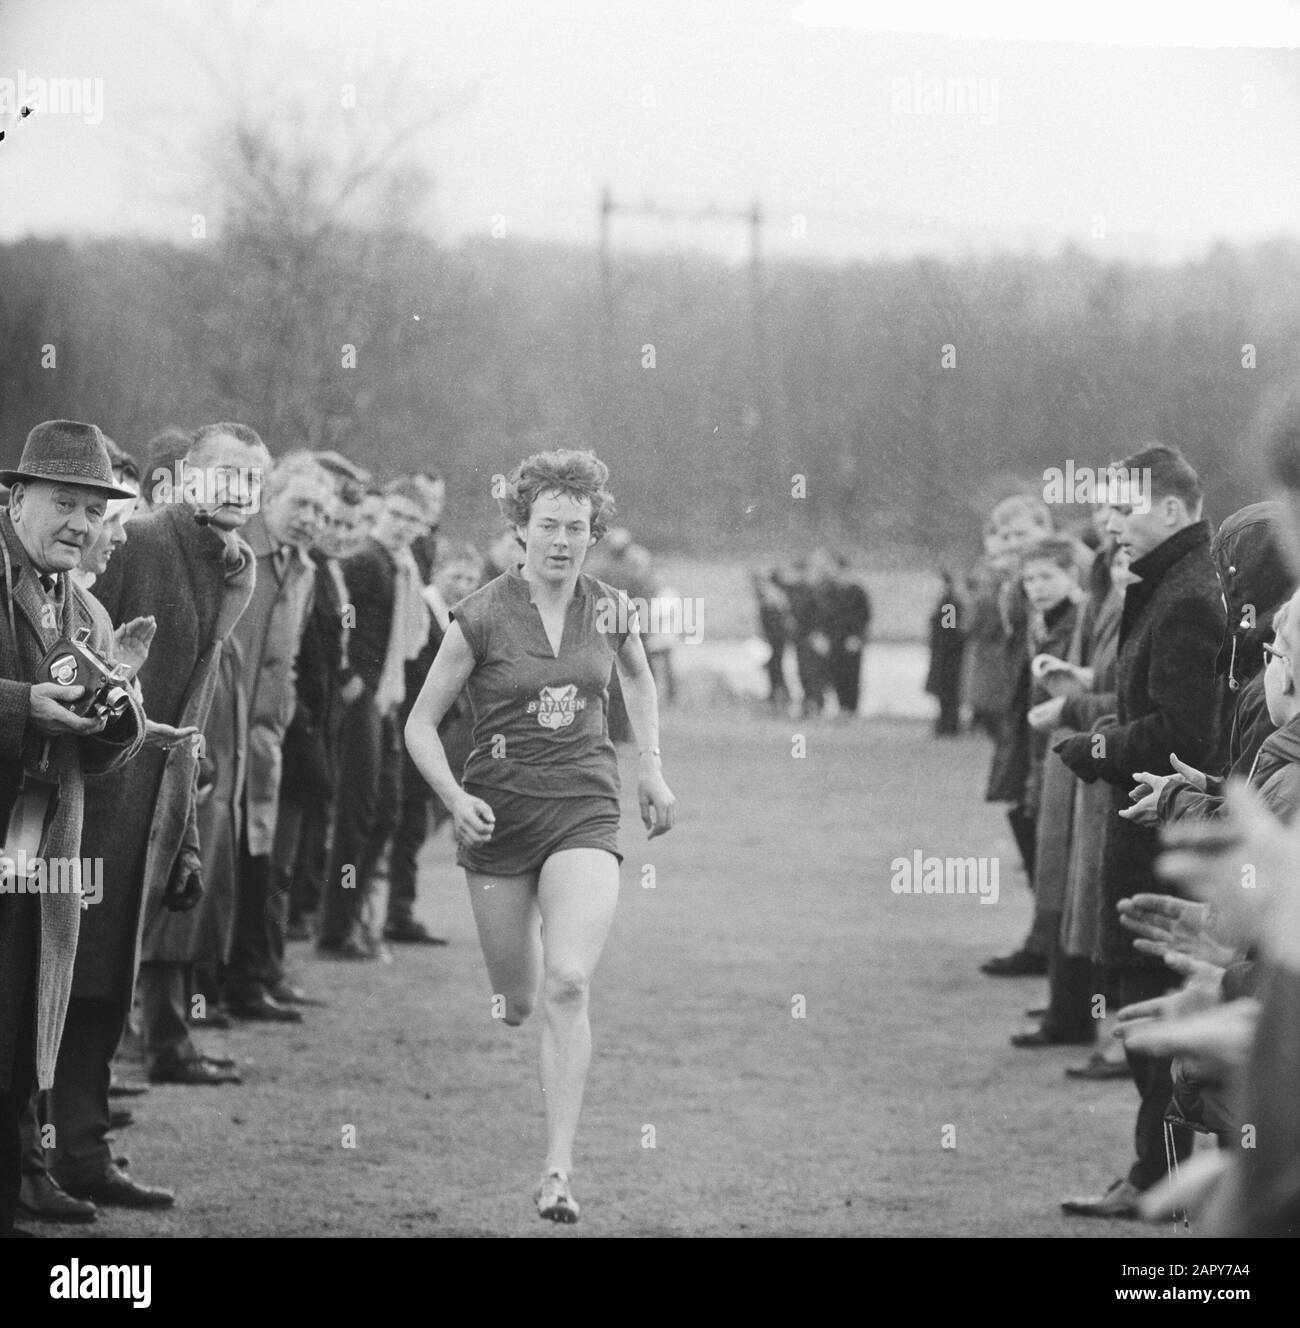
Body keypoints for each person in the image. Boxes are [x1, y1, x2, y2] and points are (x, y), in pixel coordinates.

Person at [404, 449, 676, 1223]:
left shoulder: (611, 608)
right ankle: (515, 998)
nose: (562, 540)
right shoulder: (482, 614)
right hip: (497, 820)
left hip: (584, 811)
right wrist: (454, 797)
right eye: (548, 525)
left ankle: (558, 1170)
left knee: (569, 982)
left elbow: (638, 678)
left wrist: (650, 769)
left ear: (594, 533)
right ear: (519, 529)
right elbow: (419, 724)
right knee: (519, 1000)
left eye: (578, 527)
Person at [1054, 443, 1226, 1220]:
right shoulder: (1169, 582)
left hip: (1163, 840)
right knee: (1142, 1013)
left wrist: (1098, 748)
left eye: (1124, 510)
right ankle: (1155, 1175)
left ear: (1168, 508)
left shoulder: (1185, 595)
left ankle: (1157, 1180)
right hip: (1149, 830)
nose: (1112, 526)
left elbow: (1181, 733)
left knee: (1149, 1015)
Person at [0, 420, 147, 1236]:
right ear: (16, 498)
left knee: (24, 1008)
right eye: (64, 503)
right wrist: (22, 706)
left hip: (37, 847)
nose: (81, 527)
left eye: (94, 512)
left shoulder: (84, 604)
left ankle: (22, 1178)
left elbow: (98, 759)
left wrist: (116, 717)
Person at [220, 451, 334, 1019]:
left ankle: (248, 980)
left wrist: (284, 714)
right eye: (301, 503)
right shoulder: (237, 552)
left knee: (258, 858)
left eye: (320, 510)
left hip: (267, 739)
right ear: (270, 499)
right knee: (217, 861)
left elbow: (285, 663)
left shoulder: (306, 570)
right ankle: (208, 989)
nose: (310, 517)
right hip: (218, 734)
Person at [317, 478, 432, 959]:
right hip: (362, 696)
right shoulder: (364, 560)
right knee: (357, 813)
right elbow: (331, 616)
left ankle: (357, 916)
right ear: (380, 513)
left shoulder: (403, 565)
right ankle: (336, 929)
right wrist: (347, 676)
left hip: (387, 697)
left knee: (386, 808)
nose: (403, 526)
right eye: (397, 515)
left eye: (413, 520)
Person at [385, 542, 483, 945]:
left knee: (411, 824)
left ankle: (398, 912)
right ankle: (394, 915)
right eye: (455, 576)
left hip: (431, 737)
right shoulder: (421, 609)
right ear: (437, 571)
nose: (462, 585)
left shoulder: (454, 616)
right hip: (402, 733)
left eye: (471, 580)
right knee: (401, 825)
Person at [825, 553, 871, 718]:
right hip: (836, 639)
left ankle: (851, 708)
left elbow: (864, 616)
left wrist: (858, 637)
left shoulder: (857, 591)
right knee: (838, 674)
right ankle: (842, 707)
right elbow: (829, 617)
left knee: (852, 675)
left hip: (852, 640)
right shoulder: (833, 590)